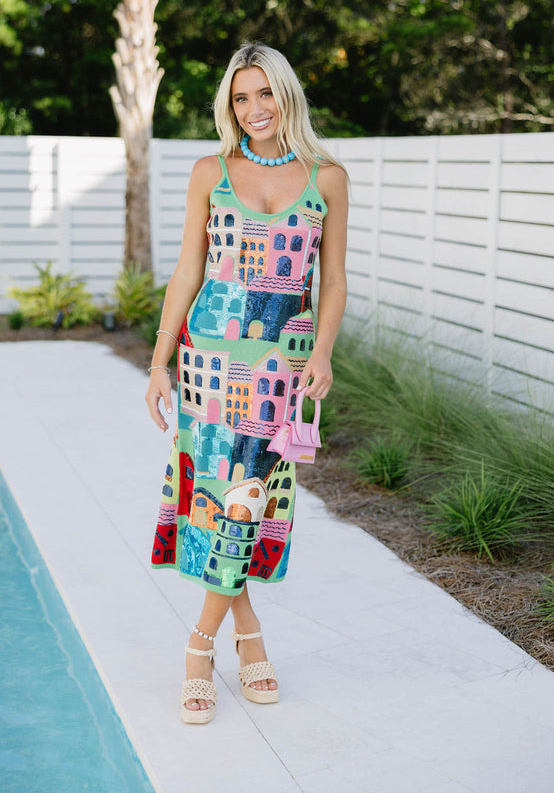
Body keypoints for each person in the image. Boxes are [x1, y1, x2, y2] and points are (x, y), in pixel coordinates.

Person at [145, 43, 349, 724]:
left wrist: (323, 351)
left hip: (280, 369)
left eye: (265, 93)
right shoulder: (210, 172)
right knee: (218, 498)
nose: (254, 108)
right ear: (228, 107)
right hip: (207, 359)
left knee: (250, 496)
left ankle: (204, 641)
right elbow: (188, 270)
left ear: (286, 96)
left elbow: (332, 279)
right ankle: (238, 639)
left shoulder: (327, 178)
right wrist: (159, 362)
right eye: (241, 97)